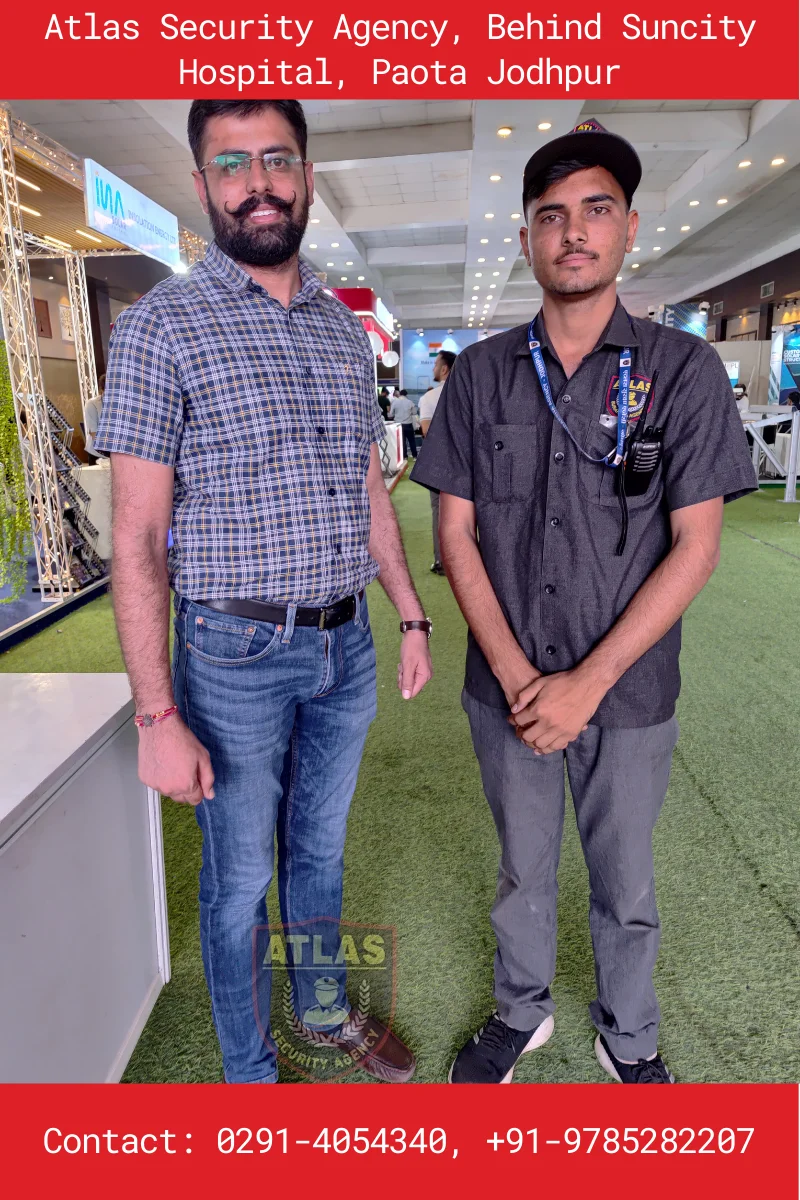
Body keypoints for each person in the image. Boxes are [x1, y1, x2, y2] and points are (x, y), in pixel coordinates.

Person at [94, 98, 434, 1085]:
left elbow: (365, 484)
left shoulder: (340, 331)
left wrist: (409, 611)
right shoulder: (162, 327)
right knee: (240, 875)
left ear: (306, 175)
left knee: (317, 850)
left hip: (345, 646)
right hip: (230, 656)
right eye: (232, 163)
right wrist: (156, 714)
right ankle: (249, 1071)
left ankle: (321, 1010)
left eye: (276, 158)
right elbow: (137, 537)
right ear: (203, 185)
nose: (258, 183)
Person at [412, 117, 756, 1085]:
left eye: (595, 210)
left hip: (630, 689)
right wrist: (521, 678)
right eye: (551, 214)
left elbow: (695, 547)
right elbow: (453, 535)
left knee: (625, 878)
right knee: (521, 867)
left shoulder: (681, 373)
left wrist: (587, 684)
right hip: (507, 687)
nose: (572, 231)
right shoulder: (481, 375)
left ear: (628, 228)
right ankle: (519, 1011)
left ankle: (627, 1033)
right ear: (526, 235)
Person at [418, 351, 456, 574]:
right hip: (471, 461)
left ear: (444, 369)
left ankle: (442, 561)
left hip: (440, 462)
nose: (433, 368)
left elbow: (426, 431)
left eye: (435, 364)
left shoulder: (430, 398)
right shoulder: (471, 393)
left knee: (440, 511)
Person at [389, 387, 418, 461]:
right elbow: (414, 412)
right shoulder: (410, 402)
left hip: (399, 425)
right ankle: (415, 456)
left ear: (400, 394)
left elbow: (391, 414)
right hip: (408, 424)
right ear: (406, 395)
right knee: (412, 441)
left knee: (402, 442)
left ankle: (404, 457)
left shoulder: (395, 402)